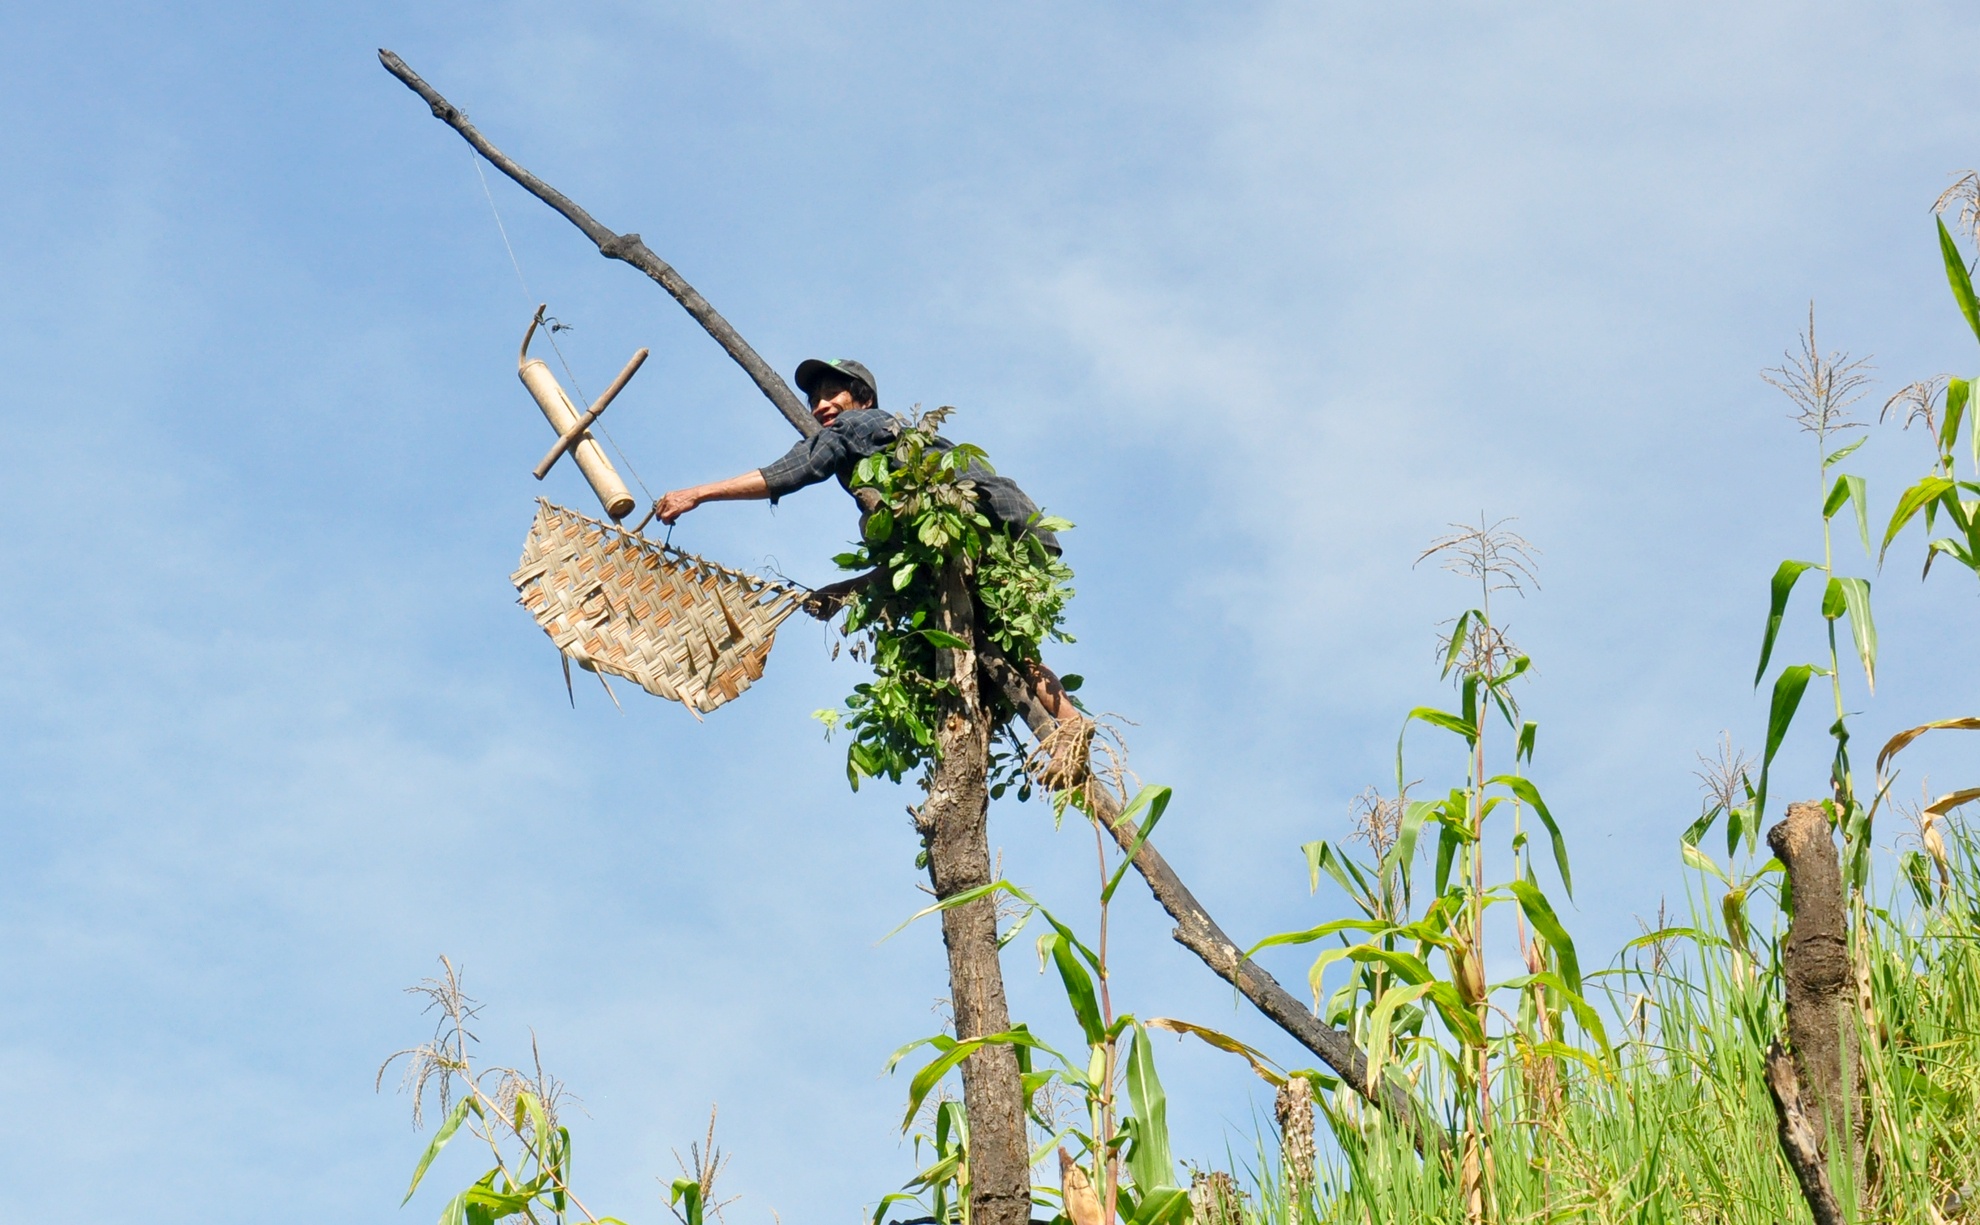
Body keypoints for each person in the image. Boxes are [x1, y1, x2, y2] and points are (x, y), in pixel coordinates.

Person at [656, 358, 1082, 730]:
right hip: (1008, 533)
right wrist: (844, 592)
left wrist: (698, 493)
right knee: (1002, 646)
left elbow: (796, 468)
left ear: (862, 400)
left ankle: (1069, 727)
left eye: (831, 394)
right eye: (814, 399)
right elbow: (904, 567)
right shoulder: (888, 468)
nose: (821, 405)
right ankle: (1069, 726)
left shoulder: (864, 424)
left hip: (993, 524)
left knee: (877, 528)